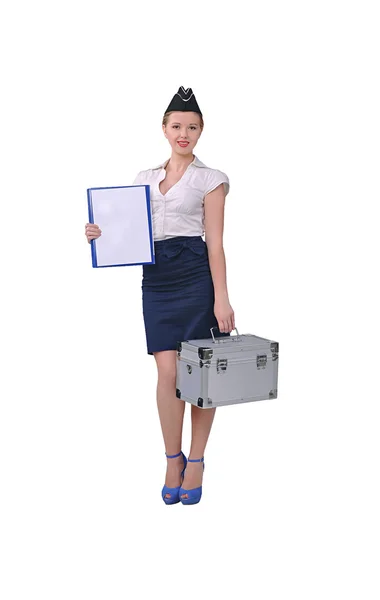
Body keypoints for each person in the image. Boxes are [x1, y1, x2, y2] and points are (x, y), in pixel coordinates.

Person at [85, 86, 235, 505]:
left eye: (192, 127)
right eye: (176, 126)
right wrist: (99, 233)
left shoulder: (212, 179)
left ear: (201, 131)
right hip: (157, 282)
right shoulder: (143, 180)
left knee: (201, 375)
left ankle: (199, 461)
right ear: (164, 129)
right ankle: (173, 459)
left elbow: (216, 244)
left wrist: (222, 299)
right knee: (167, 374)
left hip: (196, 278)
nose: (183, 133)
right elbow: (128, 232)